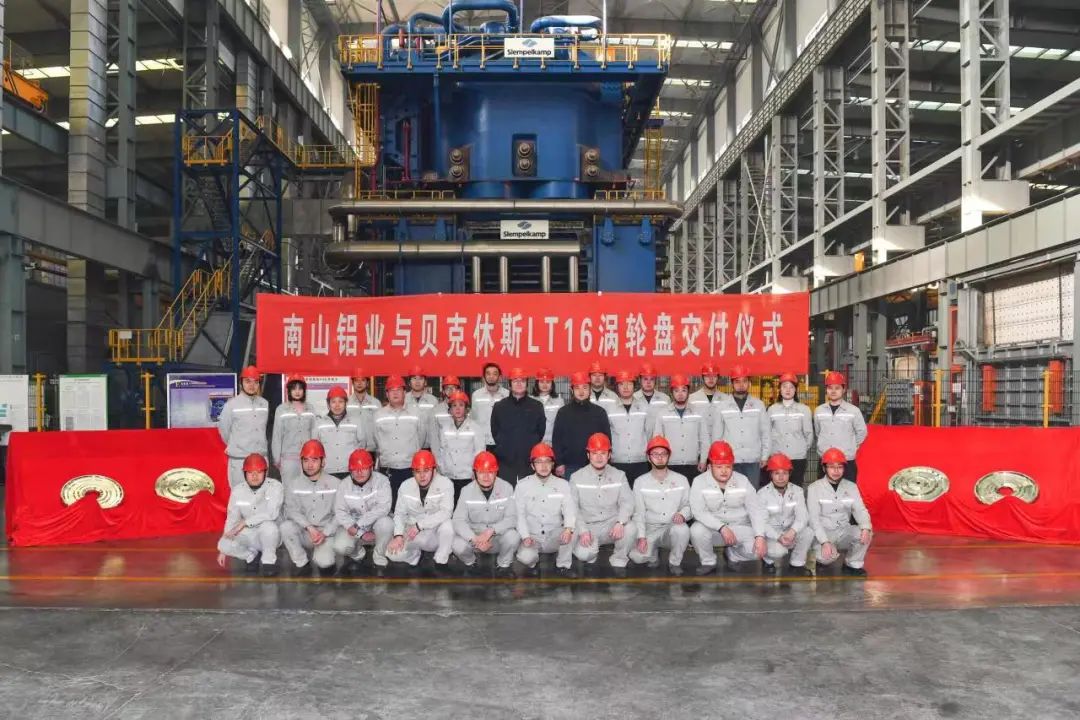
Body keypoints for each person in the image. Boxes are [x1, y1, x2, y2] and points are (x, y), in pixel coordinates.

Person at [689, 441, 767, 575]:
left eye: (728, 466)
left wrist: (760, 536)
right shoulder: (699, 481)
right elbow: (698, 511)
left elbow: (756, 510)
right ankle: (708, 561)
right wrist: (721, 527)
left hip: (739, 527)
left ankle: (733, 554)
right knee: (696, 530)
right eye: (719, 466)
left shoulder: (743, 481)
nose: (724, 471)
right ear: (709, 467)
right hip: (713, 529)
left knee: (757, 552)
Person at [799, 448, 872, 576]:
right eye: (832, 467)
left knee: (865, 533)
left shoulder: (851, 487)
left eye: (840, 467)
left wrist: (865, 527)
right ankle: (818, 557)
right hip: (823, 532)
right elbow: (813, 519)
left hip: (843, 530)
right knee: (827, 557)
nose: (836, 471)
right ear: (824, 468)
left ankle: (852, 564)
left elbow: (860, 510)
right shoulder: (814, 488)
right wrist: (824, 542)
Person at [569, 433, 636, 572]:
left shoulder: (619, 475)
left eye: (603, 453)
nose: (599, 457)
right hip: (589, 527)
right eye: (594, 453)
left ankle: (619, 558)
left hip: (612, 526)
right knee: (584, 555)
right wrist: (583, 530)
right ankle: (591, 552)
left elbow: (628, 502)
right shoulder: (576, 477)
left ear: (609, 455)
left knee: (631, 528)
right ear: (588, 455)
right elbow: (572, 508)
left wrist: (620, 522)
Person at [628, 436, 692, 575]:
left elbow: (689, 505)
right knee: (637, 557)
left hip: (671, 527)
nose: (660, 457)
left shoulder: (681, 480)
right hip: (650, 529)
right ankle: (652, 553)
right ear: (648, 457)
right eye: (655, 454)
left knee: (682, 530)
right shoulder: (640, 482)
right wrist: (641, 536)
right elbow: (638, 512)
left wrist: (682, 514)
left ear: (669, 456)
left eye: (663, 454)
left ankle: (674, 562)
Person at [452, 451, 520, 576]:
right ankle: (470, 562)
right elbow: (458, 520)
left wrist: (491, 531)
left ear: (496, 472)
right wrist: (474, 538)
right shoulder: (466, 490)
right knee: (456, 543)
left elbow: (512, 518)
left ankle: (503, 564)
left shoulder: (507, 488)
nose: (486, 476)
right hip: (474, 540)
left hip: (497, 538)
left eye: (490, 472)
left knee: (513, 537)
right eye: (481, 472)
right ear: (475, 473)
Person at [386, 450, 456, 568]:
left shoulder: (446, 484)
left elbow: (446, 512)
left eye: (426, 470)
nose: (422, 475)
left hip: (435, 529)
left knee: (448, 526)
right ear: (413, 472)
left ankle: (441, 558)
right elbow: (399, 513)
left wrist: (420, 525)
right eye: (418, 471)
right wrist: (398, 535)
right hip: (413, 529)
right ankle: (414, 554)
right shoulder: (405, 486)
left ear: (434, 470)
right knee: (392, 554)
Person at [279, 439, 340, 576]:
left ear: (323, 461)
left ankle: (325, 556)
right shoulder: (294, 484)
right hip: (306, 531)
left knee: (325, 564)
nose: (309, 465)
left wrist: (325, 533)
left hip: (326, 533)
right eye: (305, 460)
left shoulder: (336, 484)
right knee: (285, 527)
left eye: (314, 460)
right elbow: (291, 510)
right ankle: (302, 563)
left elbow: (339, 514)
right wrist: (309, 527)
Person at [515, 443, 576, 576]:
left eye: (547, 461)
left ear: (553, 464)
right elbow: (519, 515)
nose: (543, 466)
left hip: (555, 534)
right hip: (532, 536)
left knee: (573, 532)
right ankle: (533, 563)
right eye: (539, 462)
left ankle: (563, 565)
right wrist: (525, 536)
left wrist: (568, 529)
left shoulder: (563, 485)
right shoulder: (522, 486)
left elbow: (569, 510)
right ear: (532, 465)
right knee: (526, 557)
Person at [216, 453, 282, 576]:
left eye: (259, 472)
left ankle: (269, 561)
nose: (255, 476)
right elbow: (232, 518)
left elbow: (271, 513)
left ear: (266, 472)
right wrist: (224, 551)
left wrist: (245, 523)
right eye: (250, 472)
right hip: (250, 534)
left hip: (269, 535)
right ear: (244, 473)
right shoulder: (238, 491)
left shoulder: (275, 486)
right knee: (222, 544)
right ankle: (251, 556)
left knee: (269, 526)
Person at [332, 449, 394, 574]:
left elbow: (383, 508)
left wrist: (359, 524)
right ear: (350, 470)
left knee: (387, 523)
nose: (359, 472)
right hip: (353, 527)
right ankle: (358, 553)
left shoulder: (382, 481)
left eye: (364, 468)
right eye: (355, 469)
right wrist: (360, 533)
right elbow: (340, 512)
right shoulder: (344, 485)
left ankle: (379, 554)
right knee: (340, 546)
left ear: (371, 467)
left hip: (375, 523)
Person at [712, 364, 770, 489]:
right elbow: (717, 436)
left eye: (744, 381)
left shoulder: (758, 405)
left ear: (749, 383)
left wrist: (765, 456)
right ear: (732, 384)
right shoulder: (722, 406)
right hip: (730, 460)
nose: (741, 385)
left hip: (753, 460)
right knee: (732, 494)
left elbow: (766, 432)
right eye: (737, 381)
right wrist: (717, 458)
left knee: (752, 493)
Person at [372, 374, 426, 502]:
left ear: (404, 392)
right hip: (388, 469)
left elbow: (421, 438)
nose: (395, 393)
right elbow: (376, 439)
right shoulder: (378, 415)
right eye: (391, 390)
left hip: (410, 469)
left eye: (399, 390)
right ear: (387, 394)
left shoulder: (416, 413)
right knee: (389, 503)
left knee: (410, 503)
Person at [757, 453, 813, 575]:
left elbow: (803, 516)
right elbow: (762, 523)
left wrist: (792, 531)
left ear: (789, 474)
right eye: (777, 473)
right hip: (772, 534)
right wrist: (778, 537)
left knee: (808, 532)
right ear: (771, 474)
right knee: (778, 552)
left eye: (785, 473)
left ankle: (797, 564)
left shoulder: (797, 491)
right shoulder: (762, 494)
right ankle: (768, 561)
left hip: (790, 530)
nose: (781, 477)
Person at [490, 367, 546, 484]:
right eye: (515, 381)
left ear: (527, 384)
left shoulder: (536, 406)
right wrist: (503, 446)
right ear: (510, 385)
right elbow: (495, 431)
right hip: (505, 462)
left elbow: (540, 431)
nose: (519, 384)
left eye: (522, 381)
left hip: (529, 462)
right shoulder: (499, 407)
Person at [552, 371, 611, 479]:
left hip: (595, 465)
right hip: (570, 466)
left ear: (590, 389)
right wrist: (559, 463)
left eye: (585, 387)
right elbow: (557, 439)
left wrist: (606, 460)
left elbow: (607, 439)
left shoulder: (600, 412)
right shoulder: (563, 412)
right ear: (571, 390)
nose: (581, 391)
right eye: (577, 388)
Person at [218, 365, 269, 487]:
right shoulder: (231, 405)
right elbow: (224, 431)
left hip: (261, 458)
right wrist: (237, 445)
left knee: (261, 495)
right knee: (239, 495)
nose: (252, 385)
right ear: (241, 383)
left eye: (255, 382)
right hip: (240, 460)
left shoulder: (264, 404)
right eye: (248, 381)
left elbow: (263, 430)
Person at [649, 374, 708, 480]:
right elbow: (657, 440)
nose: (680, 394)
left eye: (684, 390)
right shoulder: (662, 414)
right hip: (670, 465)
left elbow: (704, 439)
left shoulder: (698, 413)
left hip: (692, 465)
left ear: (688, 392)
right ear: (671, 393)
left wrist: (703, 460)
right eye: (676, 390)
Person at [432, 390, 486, 502]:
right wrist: (442, 469)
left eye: (461, 405)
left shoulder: (475, 428)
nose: (457, 409)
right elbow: (442, 451)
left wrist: (476, 472)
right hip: (449, 476)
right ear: (450, 410)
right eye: (454, 405)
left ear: (466, 409)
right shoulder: (445, 428)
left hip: (468, 477)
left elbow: (480, 452)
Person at [814, 371, 868, 482]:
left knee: (847, 491)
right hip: (825, 459)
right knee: (824, 491)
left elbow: (862, 433)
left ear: (843, 390)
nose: (833, 391)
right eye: (830, 388)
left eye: (837, 388)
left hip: (846, 460)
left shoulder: (854, 411)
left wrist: (850, 447)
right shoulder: (818, 410)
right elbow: (818, 432)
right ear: (826, 389)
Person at [313, 385, 371, 480]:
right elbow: (316, 447)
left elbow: (362, 444)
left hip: (350, 470)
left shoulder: (356, 421)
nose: (337, 405)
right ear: (328, 404)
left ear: (346, 403)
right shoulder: (319, 423)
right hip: (327, 471)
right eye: (333, 402)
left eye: (340, 401)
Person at [767, 372, 814, 486]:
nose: (788, 390)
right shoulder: (772, 410)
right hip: (777, 456)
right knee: (777, 487)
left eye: (791, 387)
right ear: (780, 389)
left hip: (797, 457)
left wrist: (801, 449)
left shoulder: (804, 410)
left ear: (795, 389)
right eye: (784, 386)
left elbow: (809, 434)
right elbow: (767, 433)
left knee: (796, 487)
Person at [606, 369, 651, 486]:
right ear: (617, 387)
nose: (625, 387)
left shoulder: (644, 408)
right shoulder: (610, 409)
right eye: (622, 384)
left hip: (640, 461)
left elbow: (650, 433)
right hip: (617, 462)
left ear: (634, 386)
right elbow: (607, 435)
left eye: (629, 384)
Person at [271, 374, 316, 482]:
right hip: (288, 460)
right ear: (289, 391)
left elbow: (314, 433)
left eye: (300, 388)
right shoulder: (281, 409)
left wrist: (315, 455)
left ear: (304, 391)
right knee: (288, 489)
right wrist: (277, 459)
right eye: (294, 388)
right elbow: (277, 435)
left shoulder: (310, 408)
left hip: (307, 458)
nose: (297, 392)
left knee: (307, 488)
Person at [471, 362, 509, 451]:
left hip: (502, 442)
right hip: (482, 443)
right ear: (483, 377)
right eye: (488, 374)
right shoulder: (476, 395)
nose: (491, 377)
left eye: (494, 374)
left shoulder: (507, 395)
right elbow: (473, 419)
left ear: (500, 377)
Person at [689, 362, 728, 444]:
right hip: (698, 445)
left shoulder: (726, 399)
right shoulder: (691, 399)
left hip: (720, 446)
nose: (711, 379)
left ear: (718, 378)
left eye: (714, 376)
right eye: (707, 376)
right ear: (702, 377)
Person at [531, 368, 564, 446]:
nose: (545, 385)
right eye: (542, 382)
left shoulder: (559, 401)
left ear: (552, 384)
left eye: (548, 382)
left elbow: (562, 425)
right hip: (534, 444)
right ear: (537, 383)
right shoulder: (530, 400)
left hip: (553, 444)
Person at [428, 375, 461, 441]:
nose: (450, 390)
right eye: (447, 388)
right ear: (443, 391)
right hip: (442, 446)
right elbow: (433, 436)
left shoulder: (464, 410)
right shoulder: (436, 410)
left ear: (458, 390)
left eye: (453, 387)